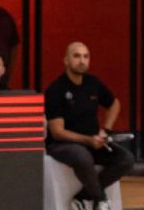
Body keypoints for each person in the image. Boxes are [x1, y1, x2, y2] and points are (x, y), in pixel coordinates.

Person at [44, 42, 133, 210]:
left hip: (93, 141)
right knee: (82, 156)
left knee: (126, 159)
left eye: (86, 56)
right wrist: (88, 140)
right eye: (76, 56)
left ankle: (83, 197)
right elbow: (57, 132)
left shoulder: (93, 83)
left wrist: (105, 130)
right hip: (63, 145)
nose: (82, 60)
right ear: (66, 60)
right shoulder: (55, 90)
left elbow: (114, 104)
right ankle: (100, 199)